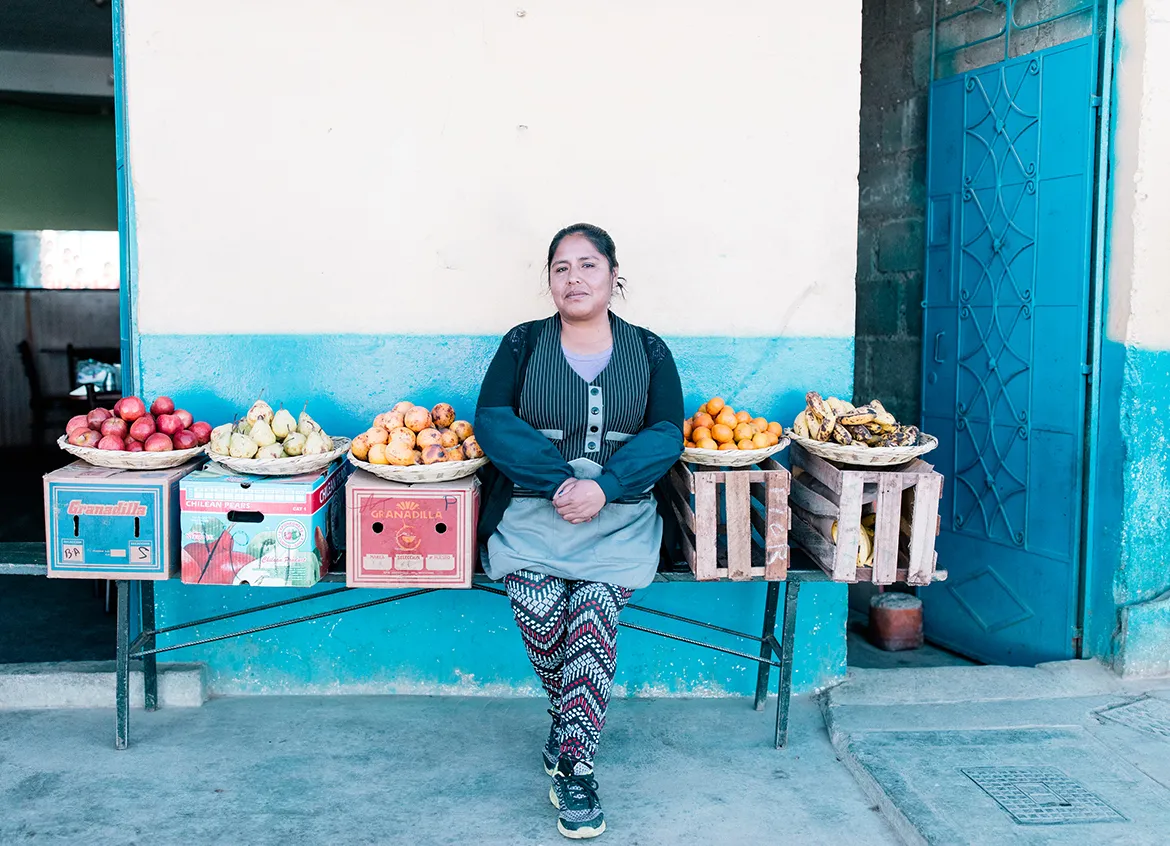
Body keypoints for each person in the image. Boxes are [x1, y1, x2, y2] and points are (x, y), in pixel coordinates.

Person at [475, 223, 684, 839]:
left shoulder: (649, 351)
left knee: (592, 616)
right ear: (549, 282)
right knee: (540, 612)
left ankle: (574, 764)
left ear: (615, 277)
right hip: (535, 511)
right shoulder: (521, 344)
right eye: (561, 268)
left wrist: (605, 486)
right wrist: (560, 483)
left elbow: (667, 431)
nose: (575, 278)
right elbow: (492, 420)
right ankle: (571, 718)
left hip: (619, 517)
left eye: (588, 265)